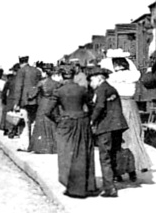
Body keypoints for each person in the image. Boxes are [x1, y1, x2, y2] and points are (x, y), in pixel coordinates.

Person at [102, 50, 153, 178]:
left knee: (117, 139)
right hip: (131, 105)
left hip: (117, 107)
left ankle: (118, 171)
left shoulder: (112, 78)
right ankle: (134, 169)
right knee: (134, 136)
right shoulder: (132, 75)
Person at [48, 67, 97, 198]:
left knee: (66, 153)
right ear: (74, 76)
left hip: (66, 123)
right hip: (82, 122)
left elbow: (47, 111)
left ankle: (70, 185)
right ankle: (88, 186)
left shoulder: (58, 91)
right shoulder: (82, 90)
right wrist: (88, 117)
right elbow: (91, 105)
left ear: (62, 76)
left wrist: (58, 120)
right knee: (83, 152)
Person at [88, 67, 127, 198]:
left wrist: (92, 120)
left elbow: (99, 106)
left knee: (105, 157)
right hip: (117, 126)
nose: (90, 83)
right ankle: (114, 180)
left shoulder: (101, 89)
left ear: (99, 78)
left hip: (106, 127)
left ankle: (109, 188)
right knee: (113, 154)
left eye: (92, 80)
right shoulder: (111, 88)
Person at [13, 56, 42, 149]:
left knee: (25, 122)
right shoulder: (37, 71)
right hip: (36, 99)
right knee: (33, 122)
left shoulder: (21, 71)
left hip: (24, 100)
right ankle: (35, 144)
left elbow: (18, 87)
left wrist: (16, 103)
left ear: (20, 61)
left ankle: (25, 145)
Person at [30, 67, 61, 154]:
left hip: (44, 103)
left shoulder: (41, 83)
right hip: (53, 104)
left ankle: (41, 147)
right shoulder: (57, 83)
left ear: (45, 73)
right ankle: (54, 147)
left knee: (41, 124)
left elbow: (32, 94)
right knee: (52, 124)